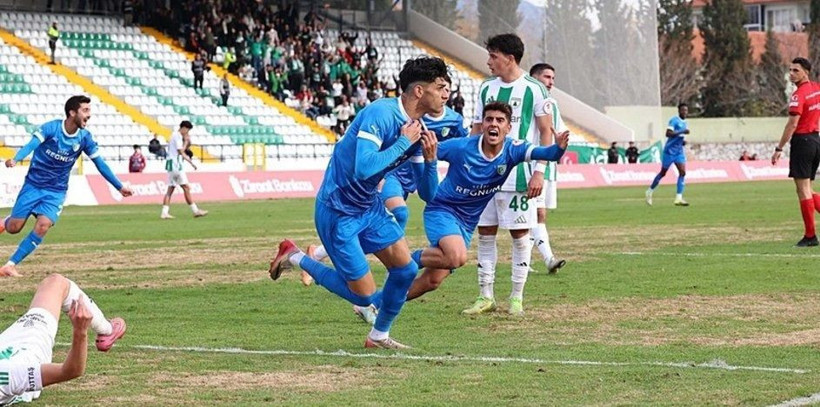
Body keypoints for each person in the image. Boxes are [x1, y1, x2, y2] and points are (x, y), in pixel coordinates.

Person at [267, 57, 450, 350]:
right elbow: (364, 167)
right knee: (363, 295)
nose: (445, 94)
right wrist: (403, 143)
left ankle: (378, 337)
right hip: (338, 210)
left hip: (369, 207)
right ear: (419, 91)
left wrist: (430, 161)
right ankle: (295, 256)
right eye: (440, 87)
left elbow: (428, 193)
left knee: (404, 271)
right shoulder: (381, 113)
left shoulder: (418, 128)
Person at [345, 102, 569, 323]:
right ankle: (405, 260)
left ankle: (374, 304)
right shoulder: (461, 147)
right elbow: (420, 149)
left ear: (508, 128)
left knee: (432, 281)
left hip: (467, 222)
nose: (494, 124)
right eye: (489, 119)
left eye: (500, 120)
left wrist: (559, 147)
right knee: (456, 256)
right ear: (482, 125)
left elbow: (547, 153)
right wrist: (386, 170)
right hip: (443, 210)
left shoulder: (513, 149)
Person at [468, 34, 557, 316]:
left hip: (519, 175)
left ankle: (516, 297)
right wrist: (467, 168)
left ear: (509, 57)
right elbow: (474, 130)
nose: (489, 61)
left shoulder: (535, 90)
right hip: (484, 175)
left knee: (520, 235)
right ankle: (485, 296)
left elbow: (545, 132)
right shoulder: (485, 88)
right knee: (485, 234)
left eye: (493, 56)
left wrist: (539, 172)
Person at [0, 96, 133, 277]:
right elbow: (31, 145)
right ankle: (6, 222)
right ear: (72, 112)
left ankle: (10, 265)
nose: (89, 115)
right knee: (14, 228)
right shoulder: (51, 128)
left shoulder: (85, 137)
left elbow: (100, 164)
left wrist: (119, 186)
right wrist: (15, 159)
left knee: (43, 225)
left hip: (56, 191)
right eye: (85, 110)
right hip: (33, 185)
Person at [0, 273, 126, 405]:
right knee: (55, 283)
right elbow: (70, 371)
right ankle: (107, 329)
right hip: (26, 350)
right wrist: (80, 332)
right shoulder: (8, 374)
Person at [772, 57, 820, 247]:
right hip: (816, 140)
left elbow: (792, 124)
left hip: (802, 141)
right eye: (790, 70)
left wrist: (779, 148)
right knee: (808, 188)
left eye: (796, 71)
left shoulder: (798, 95)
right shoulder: (816, 88)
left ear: (806, 72)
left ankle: (810, 236)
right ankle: (810, 235)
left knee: (802, 190)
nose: (791, 74)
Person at [528, 63, 567, 274]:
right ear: (534, 78)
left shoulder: (551, 103)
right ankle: (548, 259)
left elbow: (557, 131)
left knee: (538, 215)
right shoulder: (530, 98)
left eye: (553, 78)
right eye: (547, 77)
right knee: (536, 213)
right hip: (531, 165)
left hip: (547, 166)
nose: (551, 82)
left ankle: (525, 260)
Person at [160, 121, 208, 219]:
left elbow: (181, 149)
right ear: (184, 128)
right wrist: (191, 162)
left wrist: (186, 143)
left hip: (171, 165)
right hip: (176, 164)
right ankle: (195, 211)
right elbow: (180, 151)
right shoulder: (177, 136)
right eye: (187, 130)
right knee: (186, 187)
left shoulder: (174, 135)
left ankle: (164, 212)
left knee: (171, 189)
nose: (187, 133)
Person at [646, 103, 690, 207]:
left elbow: (679, 137)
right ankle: (649, 191)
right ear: (679, 111)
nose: (685, 112)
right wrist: (682, 131)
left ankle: (678, 198)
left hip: (679, 151)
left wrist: (682, 142)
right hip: (669, 151)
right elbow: (668, 134)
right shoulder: (674, 120)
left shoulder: (685, 122)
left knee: (682, 172)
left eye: (686, 110)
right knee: (663, 173)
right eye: (683, 110)